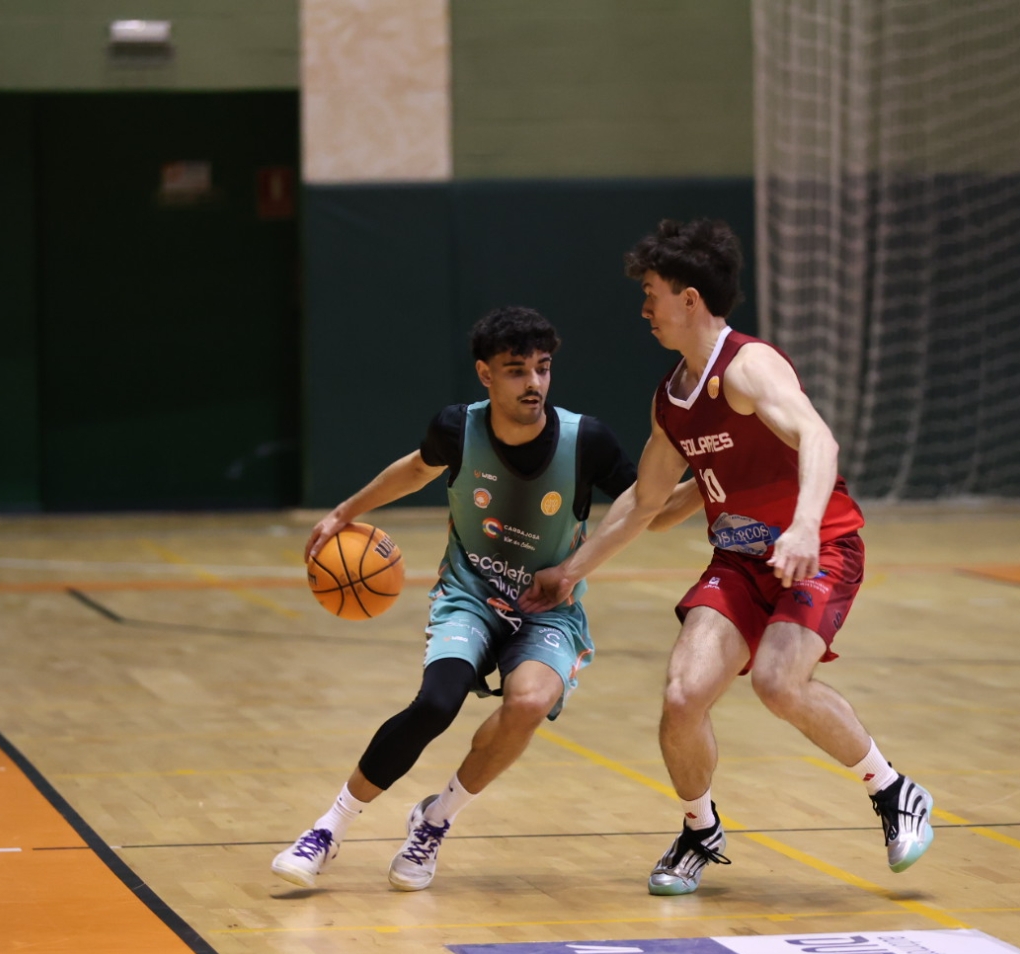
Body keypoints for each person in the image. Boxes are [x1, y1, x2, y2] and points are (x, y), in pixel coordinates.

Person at [519, 219, 933, 896]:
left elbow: (819, 440)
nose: (644, 307)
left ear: (689, 298)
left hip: (818, 546)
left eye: (651, 292)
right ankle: (699, 830)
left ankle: (892, 792)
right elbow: (643, 503)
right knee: (683, 695)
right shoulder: (673, 398)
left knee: (777, 682)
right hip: (740, 560)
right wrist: (571, 570)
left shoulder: (748, 366)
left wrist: (801, 527)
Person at [272, 306, 637, 891]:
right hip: (469, 594)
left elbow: (644, 508)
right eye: (516, 371)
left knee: (528, 702)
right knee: (435, 705)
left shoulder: (585, 440)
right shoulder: (456, 428)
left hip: (547, 607)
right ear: (485, 375)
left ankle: (434, 821)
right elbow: (417, 470)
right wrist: (347, 511)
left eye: (543, 369)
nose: (534, 383)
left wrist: (712, 482)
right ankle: (328, 830)